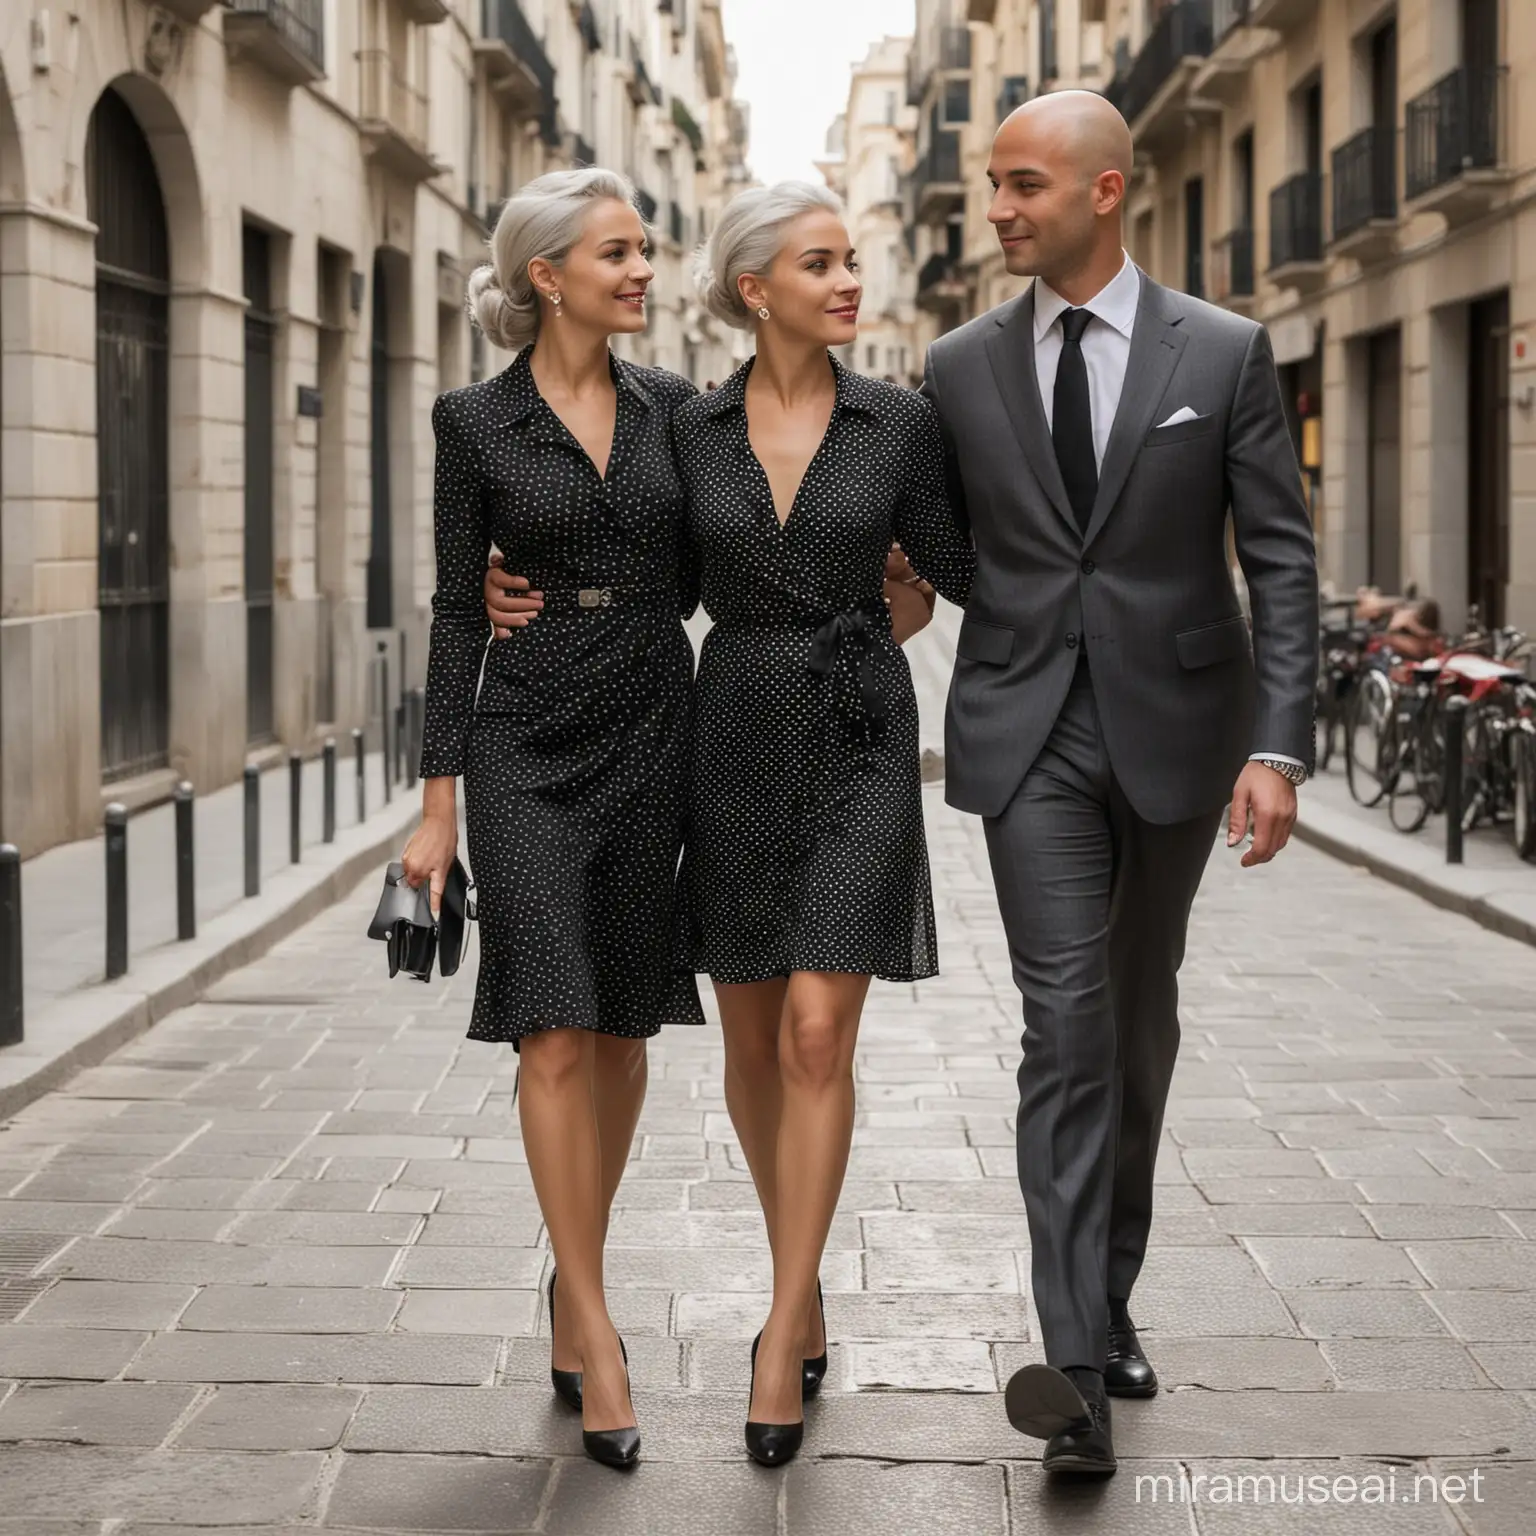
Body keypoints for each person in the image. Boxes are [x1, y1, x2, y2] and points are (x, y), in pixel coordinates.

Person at [484, 181, 974, 1468]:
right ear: (756, 289)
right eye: (822, 263)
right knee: (757, 1042)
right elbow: (629, 549)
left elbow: (961, 572)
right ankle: (800, 1284)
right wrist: (502, 583)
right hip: (730, 736)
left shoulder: (903, 421)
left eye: (855, 260)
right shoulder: (685, 428)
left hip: (863, 736)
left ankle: (778, 1325)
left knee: (819, 1030)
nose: (851, 281)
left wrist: (925, 606)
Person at [923, 92, 1318, 1476]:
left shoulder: (1224, 349)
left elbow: (1279, 558)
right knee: (1066, 1021)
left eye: (1023, 184)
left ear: (1104, 191)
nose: (999, 207)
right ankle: (1074, 1370)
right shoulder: (958, 365)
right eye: (992, 183)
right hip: (1028, 731)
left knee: (1136, 1029)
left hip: (1181, 731)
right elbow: (903, 526)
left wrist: (1278, 746)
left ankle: (1113, 1291)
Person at [402, 168, 705, 1472]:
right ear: (548, 275)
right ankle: (593, 1325)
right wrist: (436, 807)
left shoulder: (678, 410)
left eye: (644, 251)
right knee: (553, 1028)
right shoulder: (471, 421)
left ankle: (568, 1272)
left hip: (652, 720)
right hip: (525, 736)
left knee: (625, 1027)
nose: (644, 270)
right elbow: (456, 610)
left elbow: (720, 555)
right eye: (619, 252)